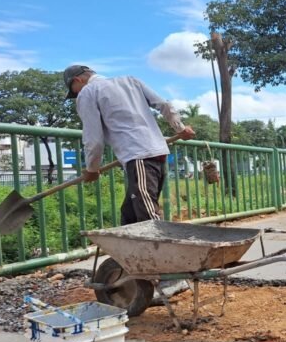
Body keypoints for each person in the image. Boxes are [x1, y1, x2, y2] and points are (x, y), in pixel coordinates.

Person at [63, 65, 195, 225]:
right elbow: (164, 104)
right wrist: (180, 128)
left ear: (78, 80)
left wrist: (92, 169)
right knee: (130, 214)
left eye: (74, 91)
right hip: (157, 152)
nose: (76, 94)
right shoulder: (130, 81)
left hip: (138, 156)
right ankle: (127, 249)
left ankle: (163, 248)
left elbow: (94, 139)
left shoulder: (88, 92)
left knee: (149, 218)